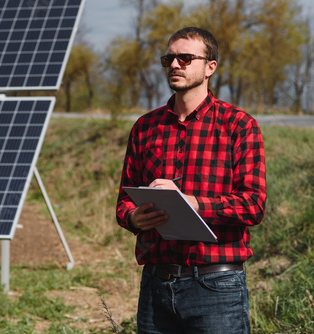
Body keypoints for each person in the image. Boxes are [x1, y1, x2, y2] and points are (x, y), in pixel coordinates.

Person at [116, 27, 267, 334]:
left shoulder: (239, 126)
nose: (174, 65)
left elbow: (253, 205)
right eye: (168, 58)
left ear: (210, 66)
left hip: (217, 285)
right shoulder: (145, 127)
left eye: (185, 58)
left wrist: (194, 204)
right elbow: (124, 202)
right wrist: (134, 218)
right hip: (156, 283)